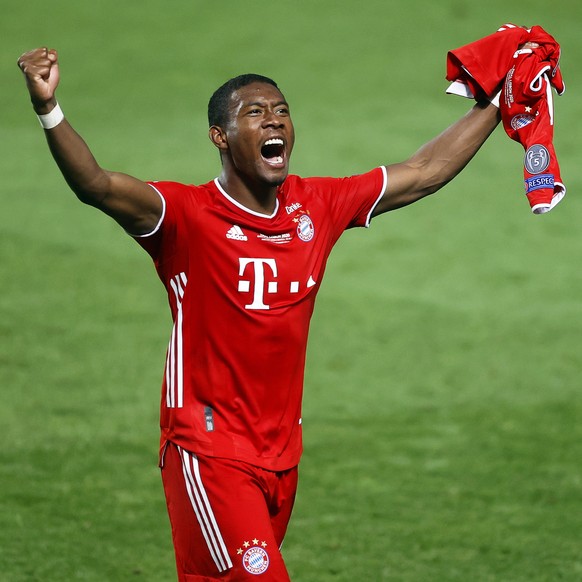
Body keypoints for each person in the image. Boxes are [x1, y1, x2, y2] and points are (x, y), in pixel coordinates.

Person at [18, 47, 501, 581]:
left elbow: (424, 171)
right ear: (219, 137)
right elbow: (97, 185)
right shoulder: (186, 217)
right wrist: (50, 108)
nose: (274, 119)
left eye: (281, 110)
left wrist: (498, 102)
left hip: (280, 454)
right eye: (254, 112)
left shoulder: (317, 205)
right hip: (208, 450)